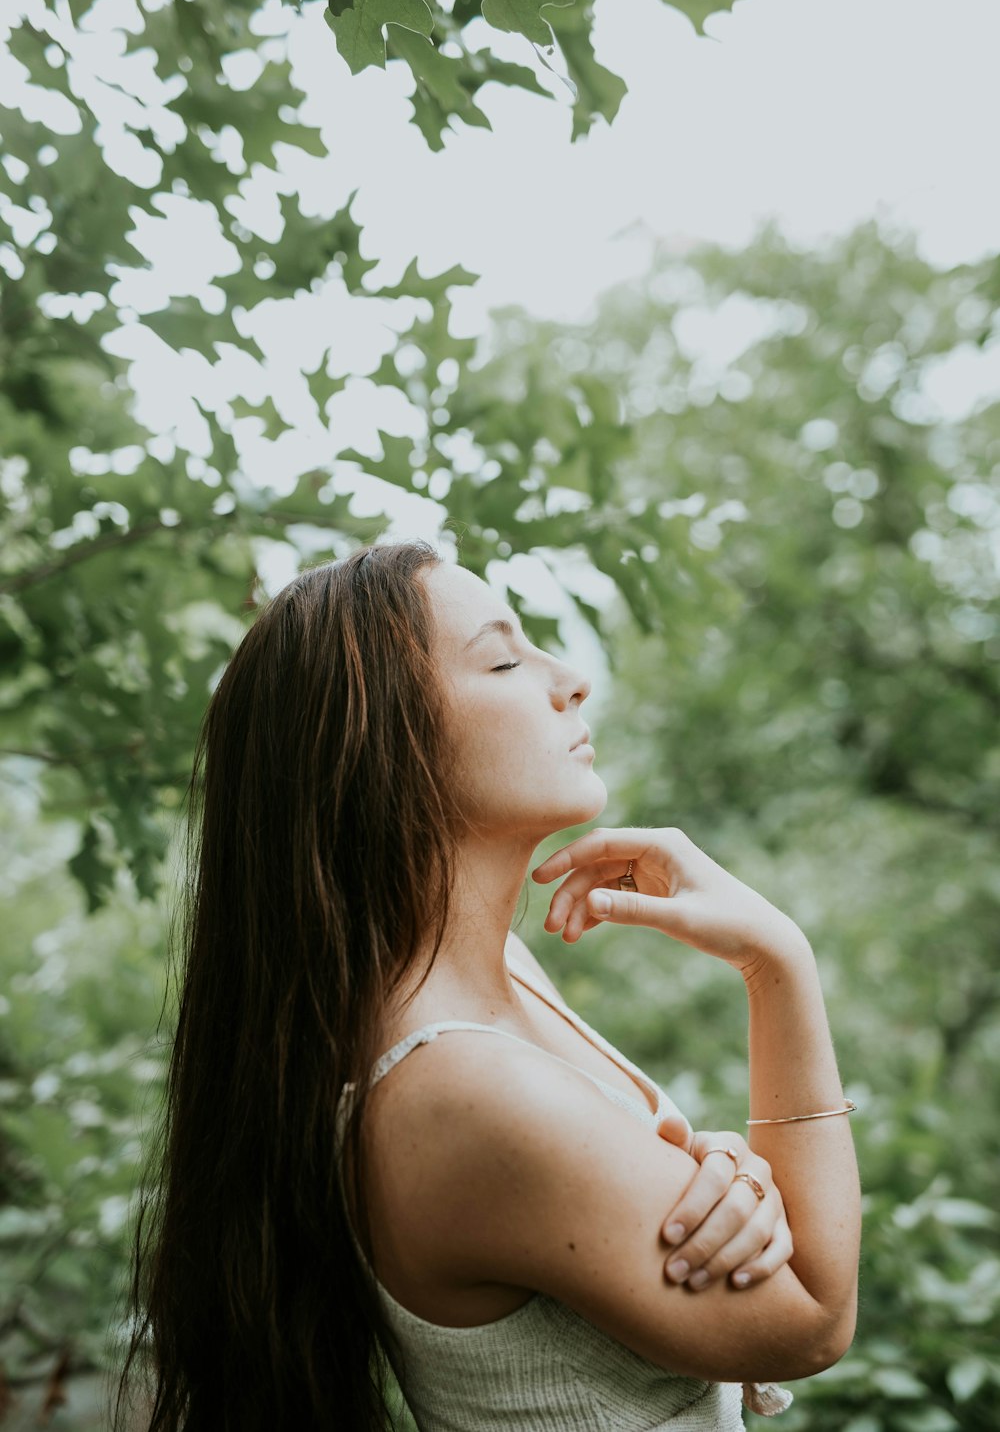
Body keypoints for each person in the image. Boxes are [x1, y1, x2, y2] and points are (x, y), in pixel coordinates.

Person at [115, 539, 860, 1432]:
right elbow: (812, 1318)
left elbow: (615, 1193)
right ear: (384, 743)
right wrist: (775, 963)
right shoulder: (461, 1089)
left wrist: (725, 1168)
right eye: (505, 659)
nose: (570, 678)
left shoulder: (492, 972)